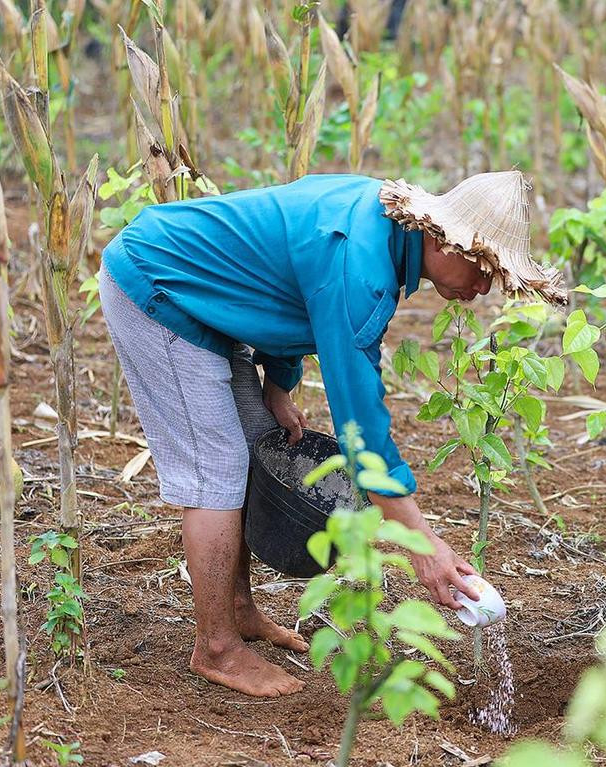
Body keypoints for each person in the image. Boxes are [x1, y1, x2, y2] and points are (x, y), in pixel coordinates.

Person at [98, 170, 565, 697]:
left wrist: (279, 383)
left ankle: (237, 609)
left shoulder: (378, 227)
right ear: (440, 237)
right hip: (159, 284)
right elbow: (358, 421)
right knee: (217, 471)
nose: (482, 288)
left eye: (495, 276)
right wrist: (421, 544)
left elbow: (281, 283)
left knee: (255, 446)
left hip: (208, 295)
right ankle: (217, 648)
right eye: (481, 267)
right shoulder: (361, 269)